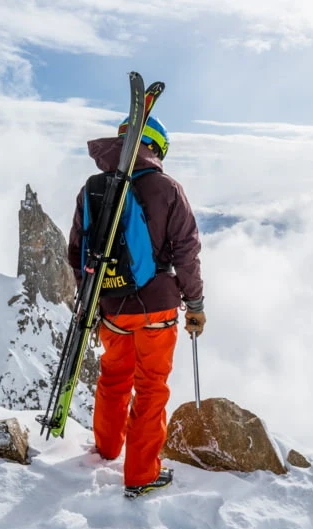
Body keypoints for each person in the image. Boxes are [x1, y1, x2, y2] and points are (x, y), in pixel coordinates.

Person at [67, 113, 206, 498]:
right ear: (156, 147)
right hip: (157, 307)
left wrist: (92, 299)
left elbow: (77, 252)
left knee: (113, 379)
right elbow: (186, 251)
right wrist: (194, 303)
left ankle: (107, 449)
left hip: (111, 304)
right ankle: (141, 474)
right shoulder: (167, 188)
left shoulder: (93, 189)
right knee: (150, 387)